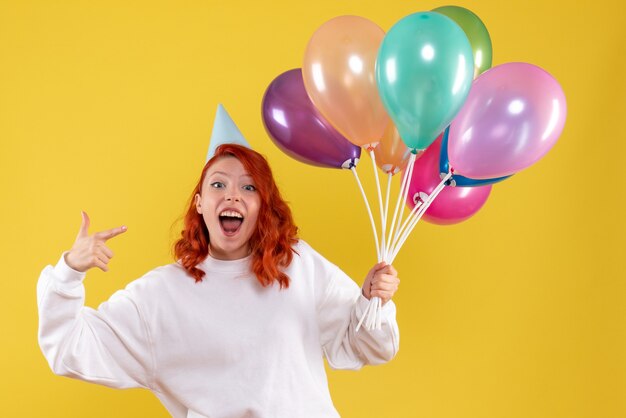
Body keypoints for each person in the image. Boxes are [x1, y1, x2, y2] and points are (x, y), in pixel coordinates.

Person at [37, 142, 400, 418]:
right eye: (218, 184)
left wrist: (372, 301)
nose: (232, 194)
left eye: (248, 188)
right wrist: (70, 272)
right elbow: (69, 349)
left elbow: (366, 347)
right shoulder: (161, 295)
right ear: (199, 203)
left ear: (263, 207)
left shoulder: (298, 265)